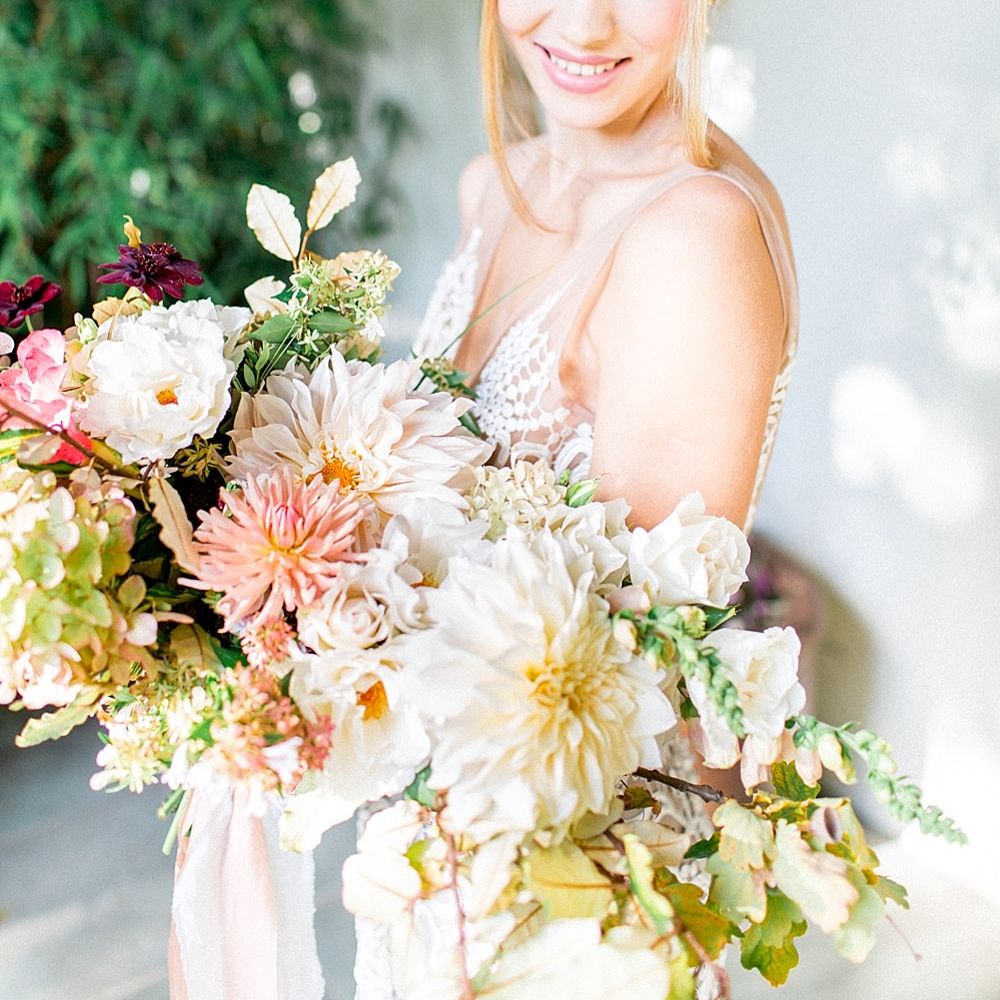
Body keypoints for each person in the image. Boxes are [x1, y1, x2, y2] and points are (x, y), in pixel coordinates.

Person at [354, 1, 799, 997]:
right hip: (436, 833)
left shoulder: (693, 233)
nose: (585, 22)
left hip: (575, 880)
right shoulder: (495, 185)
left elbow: (626, 659)